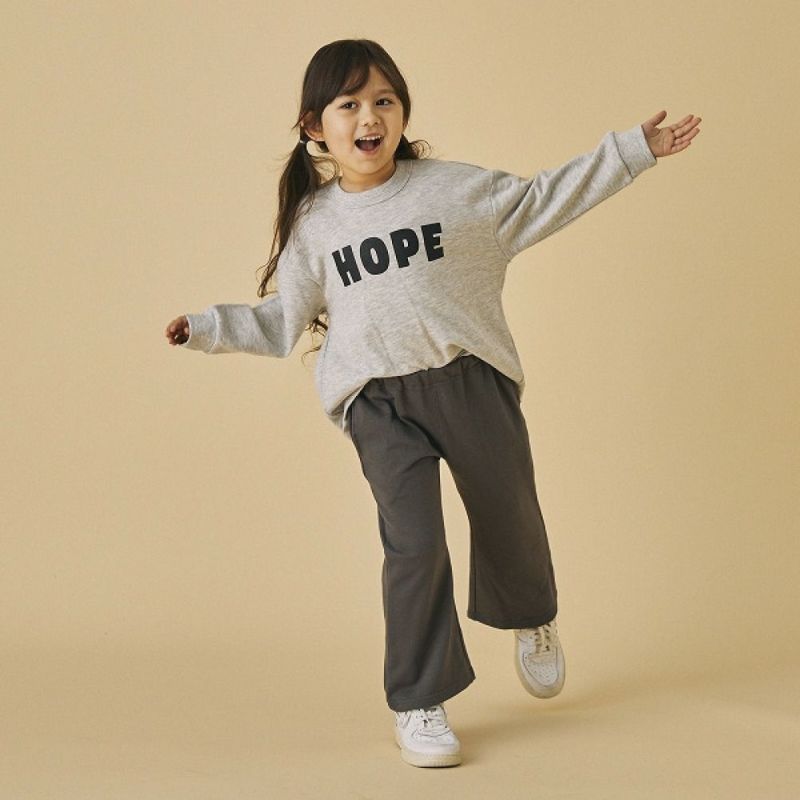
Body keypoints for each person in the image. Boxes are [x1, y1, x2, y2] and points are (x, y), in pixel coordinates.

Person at [164, 38, 701, 768]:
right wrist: (207, 329)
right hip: (377, 402)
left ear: (402, 111)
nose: (369, 117)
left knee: (509, 513)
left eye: (384, 100)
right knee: (413, 546)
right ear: (315, 126)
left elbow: (545, 198)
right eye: (349, 104)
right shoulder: (315, 224)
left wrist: (631, 151)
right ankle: (419, 700)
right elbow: (282, 320)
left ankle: (532, 617)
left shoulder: (454, 191)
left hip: (471, 380)